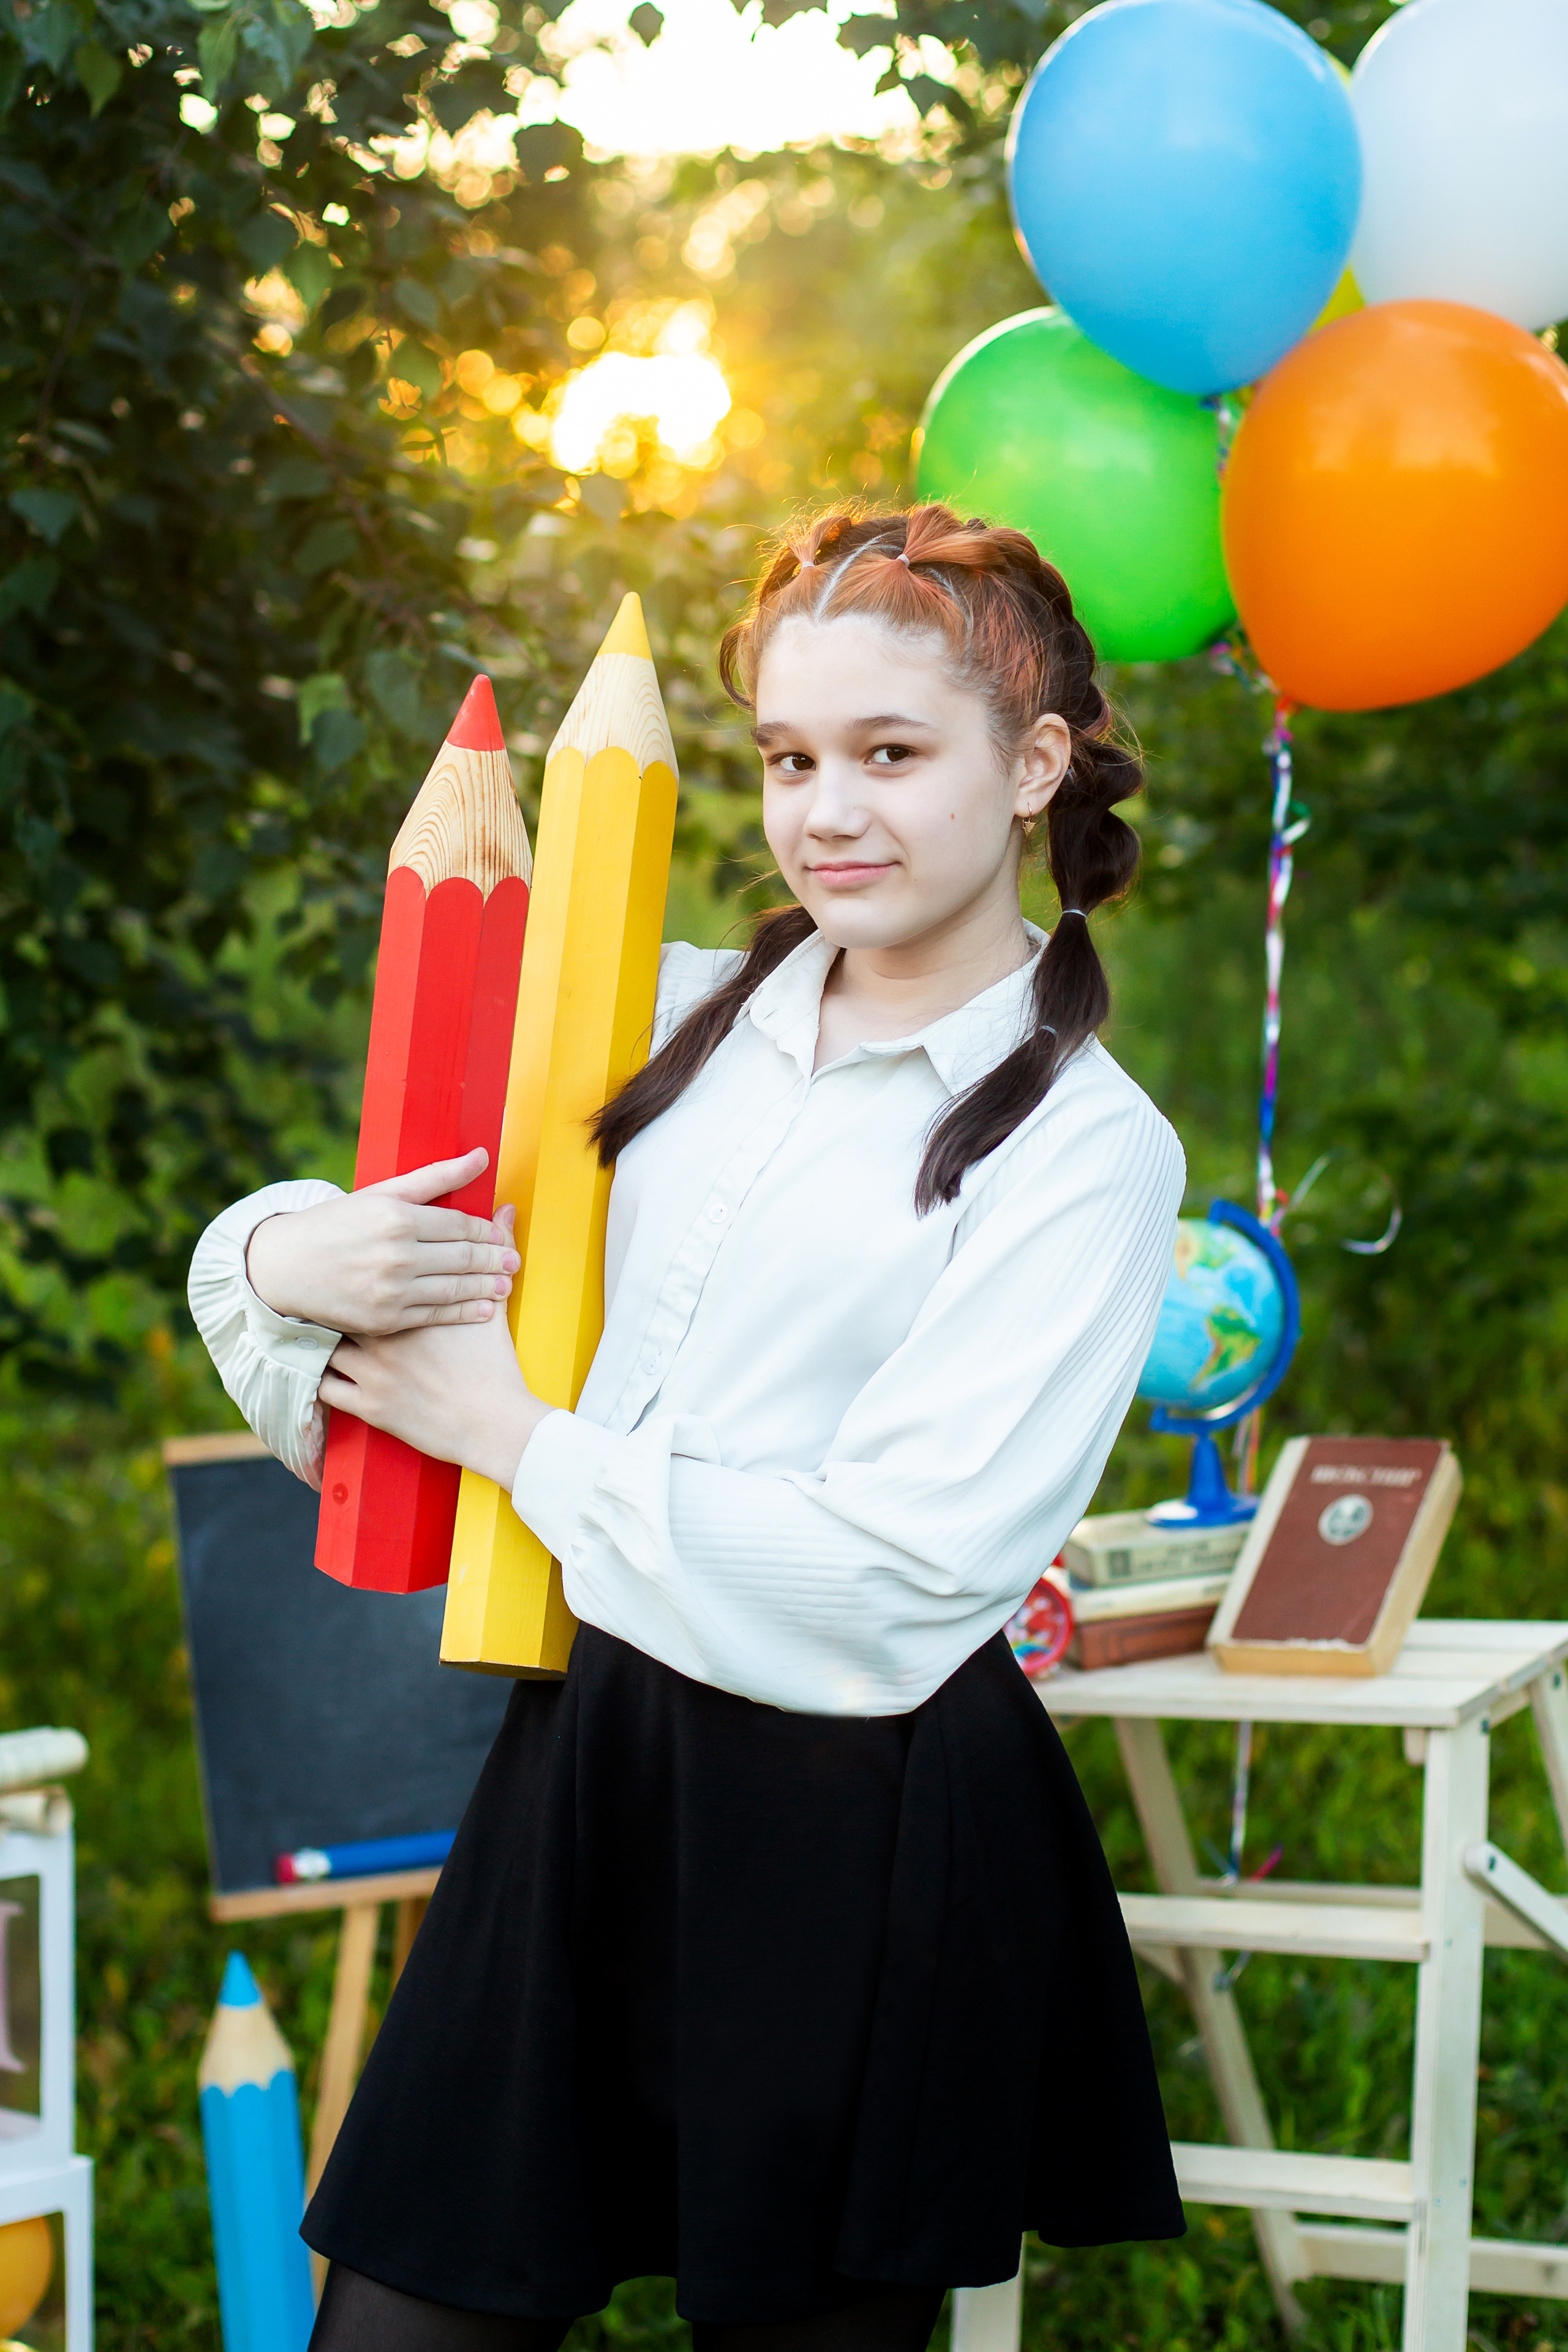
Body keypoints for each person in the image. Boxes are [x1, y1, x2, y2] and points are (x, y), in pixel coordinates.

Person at [189, 503, 1188, 2352]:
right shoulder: (644, 1021)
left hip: (865, 1813)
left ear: (1038, 764)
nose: (828, 811)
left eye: (890, 754)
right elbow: (380, 1239)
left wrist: (516, 1437)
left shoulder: (1089, 1149)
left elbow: (896, 1579)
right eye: (790, 759)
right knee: (402, 2315)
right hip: (585, 1753)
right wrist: (290, 1251)